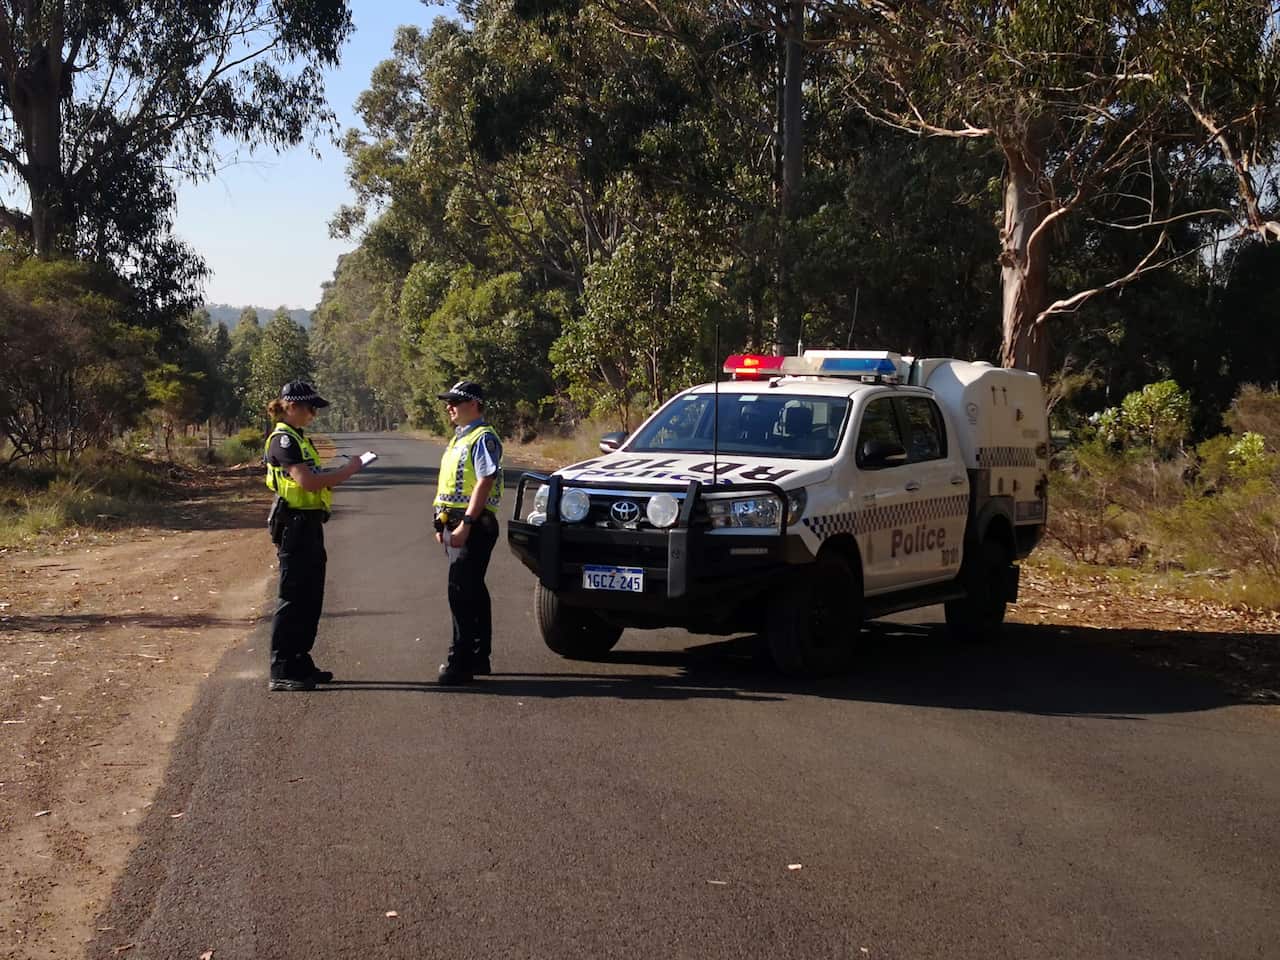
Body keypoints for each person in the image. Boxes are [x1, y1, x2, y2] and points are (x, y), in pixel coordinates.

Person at [262, 381, 365, 691]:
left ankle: (300, 661)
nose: (313, 414)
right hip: (294, 525)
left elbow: (313, 479)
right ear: (291, 406)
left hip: (308, 524)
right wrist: (348, 471)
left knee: (310, 597)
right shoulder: (283, 440)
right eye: (310, 408)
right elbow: (307, 482)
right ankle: (283, 668)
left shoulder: (298, 438)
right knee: (293, 597)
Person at [433, 379, 503, 684]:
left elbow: (484, 481)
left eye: (455, 402)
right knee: (472, 589)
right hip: (458, 522)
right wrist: (441, 521)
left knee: (460, 591)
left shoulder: (482, 438)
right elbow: (450, 486)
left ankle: (460, 662)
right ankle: (477, 656)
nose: (449, 407)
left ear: (474, 404)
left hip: (474, 523)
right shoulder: (459, 439)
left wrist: (466, 524)